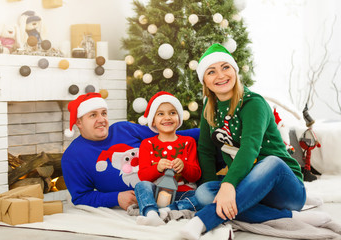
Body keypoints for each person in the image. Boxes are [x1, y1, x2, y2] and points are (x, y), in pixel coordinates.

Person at [168, 43, 331, 240]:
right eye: (211, 71)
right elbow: (205, 150)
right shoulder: (208, 109)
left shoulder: (254, 103)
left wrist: (228, 185)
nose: (220, 75)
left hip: (284, 188)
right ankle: (290, 217)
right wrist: (216, 190)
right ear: (204, 80)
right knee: (203, 193)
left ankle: (201, 220)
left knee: (271, 162)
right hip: (249, 189)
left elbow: (250, 148)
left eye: (225, 67)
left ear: (235, 71)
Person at [61, 92, 199, 211]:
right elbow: (81, 196)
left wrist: (207, 133)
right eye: (93, 115)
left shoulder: (124, 128)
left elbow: (169, 135)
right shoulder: (73, 157)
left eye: (104, 113)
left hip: (173, 185)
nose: (102, 119)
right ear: (78, 122)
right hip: (146, 196)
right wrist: (116, 198)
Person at [134, 91, 201, 226]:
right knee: (141, 186)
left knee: (202, 198)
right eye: (161, 114)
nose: (167, 117)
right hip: (156, 193)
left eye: (172, 113)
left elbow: (196, 175)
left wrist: (184, 167)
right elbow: (143, 176)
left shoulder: (188, 142)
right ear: (153, 120)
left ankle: (167, 211)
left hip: (182, 193)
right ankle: (151, 213)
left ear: (179, 118)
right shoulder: (147, 144)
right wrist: (157, 168)